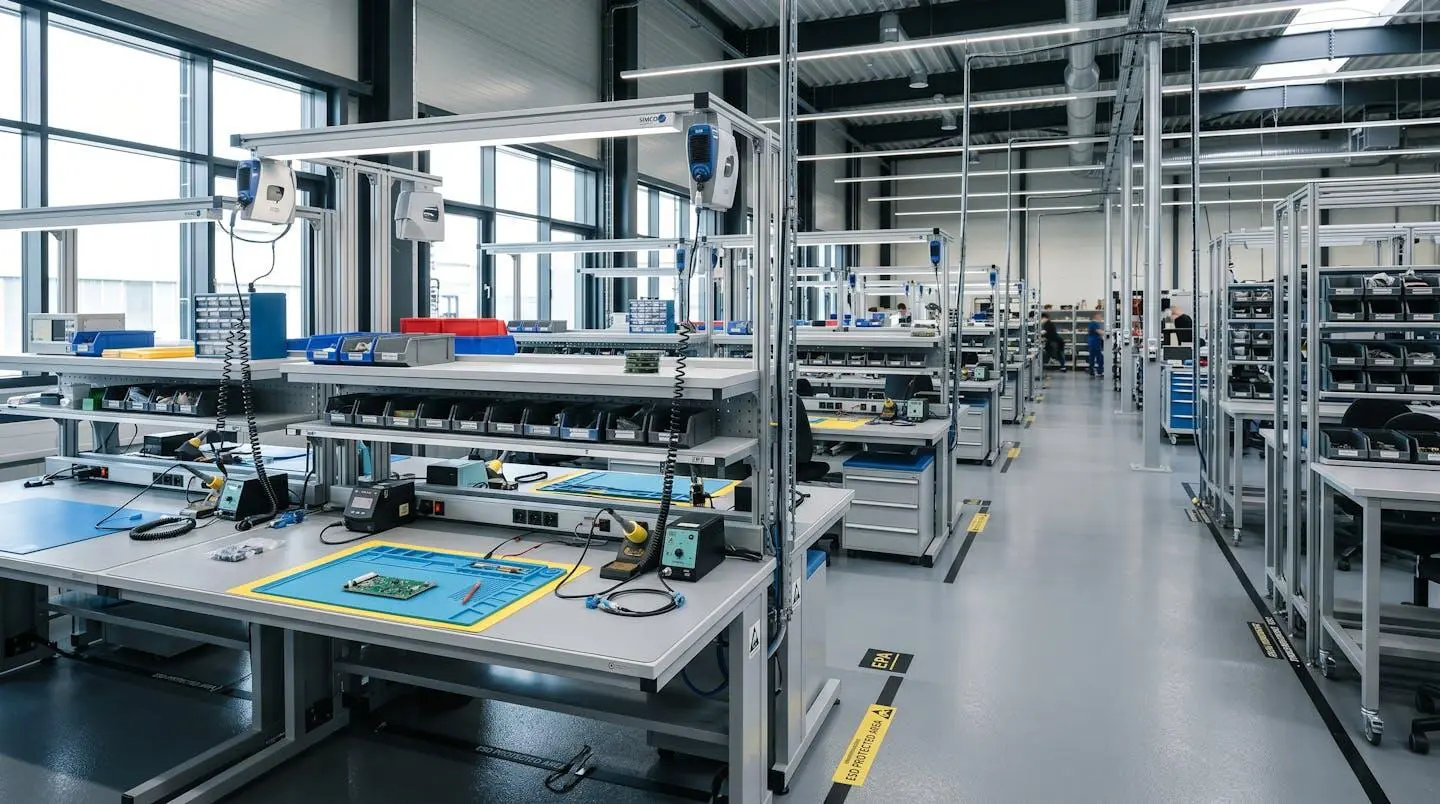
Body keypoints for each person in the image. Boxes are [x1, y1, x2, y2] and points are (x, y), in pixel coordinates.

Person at [1087, 313, 1106, 378]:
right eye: (1100, 317)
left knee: (1092, 358)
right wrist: (1108, 332)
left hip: (1093, 342)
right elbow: (1099, 332)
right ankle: (1099, 371)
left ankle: (1092, 371)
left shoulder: (1094, 324)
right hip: (1094, 343)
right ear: (1096, 317)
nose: (1101, 318)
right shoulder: (1093, 323)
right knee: (1100, 358)